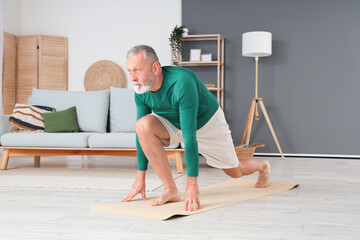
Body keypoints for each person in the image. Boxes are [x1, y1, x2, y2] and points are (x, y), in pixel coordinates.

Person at [121, 45, 270, 211]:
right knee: (142, 126)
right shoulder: (141, 90)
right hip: (173, 122)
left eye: (137, 70)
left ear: (155, 68)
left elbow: (189, 136)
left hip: (208, 123)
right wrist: (140, 178)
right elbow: (140, 135)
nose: (133, 78)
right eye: (130, 71)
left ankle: (262, 166)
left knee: (234, 172)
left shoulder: (182, 82)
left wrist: (192, 185)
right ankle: (170, 190)